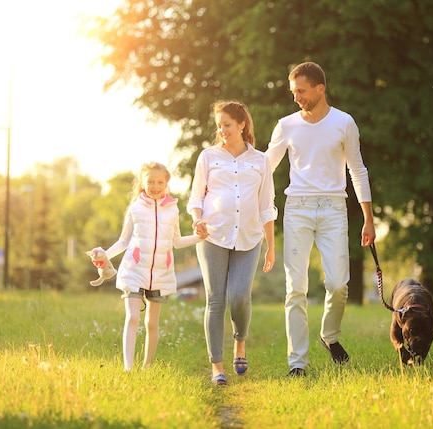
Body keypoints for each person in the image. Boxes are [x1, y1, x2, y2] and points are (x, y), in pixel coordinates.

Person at [265, 62, 376, 377]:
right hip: (297, 207)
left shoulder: (344, 123)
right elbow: (265, 166)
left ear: (319, 89)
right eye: (293, 92)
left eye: (301, 91)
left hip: (333, 208)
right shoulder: (286, 125)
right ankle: (297, 362)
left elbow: (358, 169)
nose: (296, 97)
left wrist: (368, 218)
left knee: (339, 284)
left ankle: (329, 336)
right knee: (295, 288)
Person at [187, 100, 277, 385]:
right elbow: (196, 197)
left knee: (239, 297)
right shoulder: (208, 157)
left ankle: (240, 343)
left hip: (249, 237)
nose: (222, 130)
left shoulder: (260, 160)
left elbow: (266, 206)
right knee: (216, 300)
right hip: (212, 235)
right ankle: (217, 367)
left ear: (241, 124)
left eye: (227, 125)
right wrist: (197, 219)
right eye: (219, 126)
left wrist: (271, 247)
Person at [97, 162, 205, 371]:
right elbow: (123, 241)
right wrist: (104, 255)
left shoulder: (172, 210)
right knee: (133, 317)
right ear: (143, 183)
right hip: (134, 270)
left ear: (166, 184)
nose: (155, 186)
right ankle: (128, 368)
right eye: (150, 182)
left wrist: (199, 238)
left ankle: (147, 367)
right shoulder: (135, 208)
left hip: (160, 273)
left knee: (152, 324)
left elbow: (177, 241)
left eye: (159, 182)